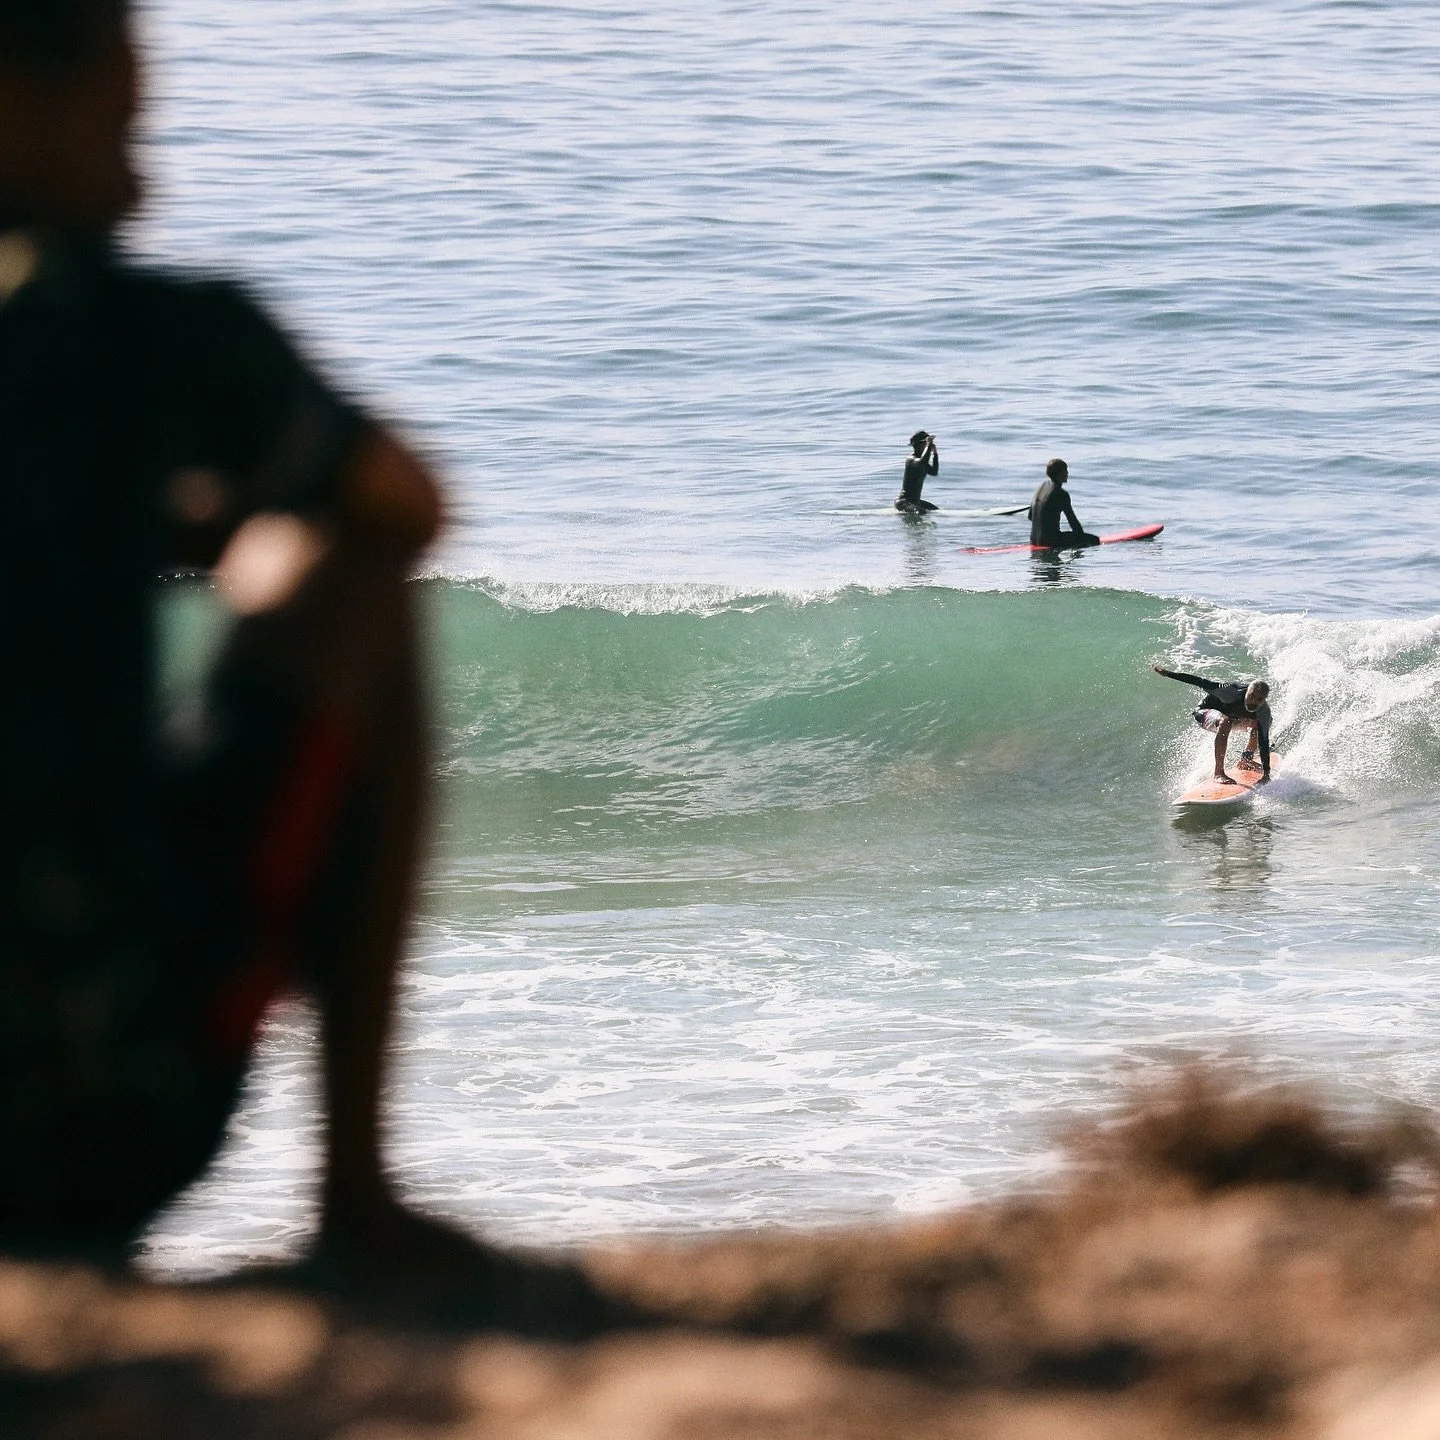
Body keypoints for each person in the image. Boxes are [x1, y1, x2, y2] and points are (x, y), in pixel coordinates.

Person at [0, 0, 605, 1323]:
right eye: (122, 118)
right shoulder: (149, 337)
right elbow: (408, 505)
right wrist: (225, 529)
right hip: (92, 1117)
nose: (146, 167)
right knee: (352, 569)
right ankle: (358, 1204)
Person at [1152, 665, 1273, 785]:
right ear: (1247, 691)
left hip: (1232, 718)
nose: (1253, 701)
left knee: (1264, 723)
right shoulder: (1229, 692)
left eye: (1259, 699)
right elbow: (1199, 681)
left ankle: (1246, 760)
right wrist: (1168, 674)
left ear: (1264, 700)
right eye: (1251, 696)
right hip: (1205, 712)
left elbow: (1263, 741)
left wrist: (1266, 774)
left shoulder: (1263, 712)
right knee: (1225, 721)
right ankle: (1218, 773)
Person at [1029, 457, 1097, 548]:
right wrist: (1082, 539)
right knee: (1095, 540)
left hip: (1033, 540)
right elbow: (1073, 522)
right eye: (1065, 471)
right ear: (1059, 473)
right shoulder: (1061, 494)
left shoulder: (1041, 487)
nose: (1067, 473)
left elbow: (1030, 516)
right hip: (1051, 542)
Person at [895, 429, 939, 513]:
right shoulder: (911, 459)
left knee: (936, 511)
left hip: (915, 501)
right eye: (925, 444)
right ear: (920, 445)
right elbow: (922, 462)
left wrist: (935, 454)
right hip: (904, 502)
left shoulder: (922, 462)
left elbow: (934, 472)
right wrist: (929, 446)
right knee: (920, 512)